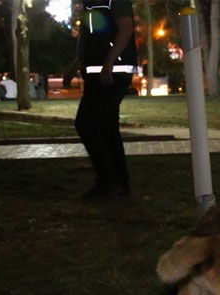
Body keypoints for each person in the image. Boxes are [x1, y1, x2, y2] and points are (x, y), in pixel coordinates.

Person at [74, 0, 137, 199]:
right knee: (107, 127)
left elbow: (125, 29)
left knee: (86, 123)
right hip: (100, 72)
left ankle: (107, 181)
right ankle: (119, 182)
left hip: (111, 73)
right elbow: (92, 38)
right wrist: (76, 65)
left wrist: (108, 63)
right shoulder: (90, 3)